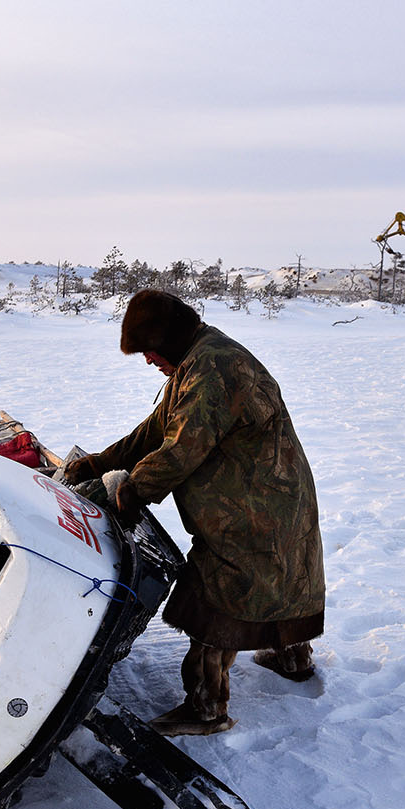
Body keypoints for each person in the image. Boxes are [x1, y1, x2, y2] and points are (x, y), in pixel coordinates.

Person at [62, 289, 325, 735]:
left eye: (149, 350)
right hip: (273, 497)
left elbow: (182, 448)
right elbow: (156, 430)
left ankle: (206, 709)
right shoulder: (199, 358)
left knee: (215, 595)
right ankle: (291, 658)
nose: (148, 361)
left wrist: (131, 492)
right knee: (279, 578)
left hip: (253, 507)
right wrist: (101, 464)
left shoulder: (212, 369)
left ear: (169, 339)